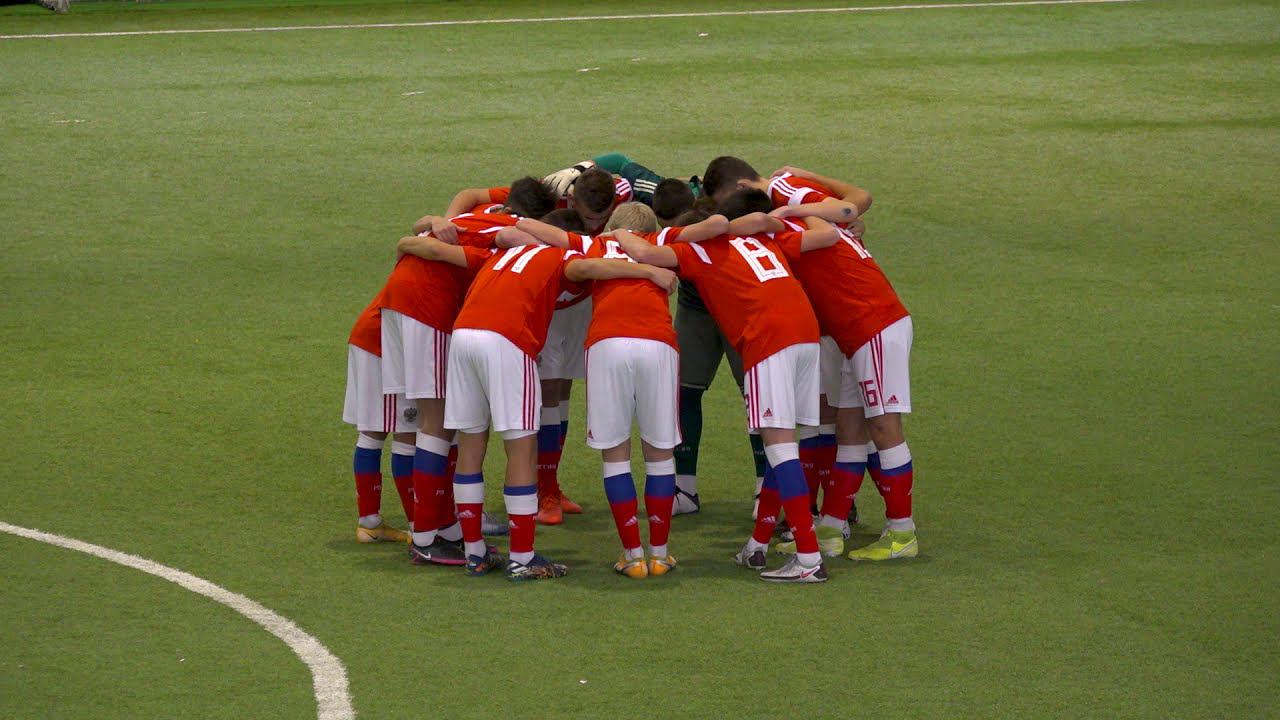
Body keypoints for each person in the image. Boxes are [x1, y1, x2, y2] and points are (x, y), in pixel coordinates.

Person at [400, 212, 675, 580]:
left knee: (471, 443)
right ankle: (522, 557)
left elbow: (444, 247)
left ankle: (475, 552)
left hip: (463, 336)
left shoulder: (500, 255)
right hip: (507, 340)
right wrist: (648, 271)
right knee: (522, 448)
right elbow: (590, 267)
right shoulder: (560, 256)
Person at [616, 194, 840, 583]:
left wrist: (617, 232)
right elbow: (826, 234)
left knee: (780, 447)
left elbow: (643, 253)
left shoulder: (697, 249)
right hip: (806, 335)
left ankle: (808, 558)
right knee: (781, 445)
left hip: (768, 337)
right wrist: (787, 213)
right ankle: (758, 544)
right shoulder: (759, 239)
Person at [514, 202, 726, 577]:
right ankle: (659, 554)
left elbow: (539, 230)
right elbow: (714, 225)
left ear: (612, 225)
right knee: (660, 456)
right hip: (658, 343)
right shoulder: (660, 239)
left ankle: (632, 555)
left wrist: (514, 219)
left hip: (607, 344)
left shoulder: (592, 244)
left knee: (616, 457)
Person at [381, 177, 555, 566]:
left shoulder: (478, 213)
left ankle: (446, 528)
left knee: (438, 419)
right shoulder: (510, 231)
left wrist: (414, 235)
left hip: (399, 299)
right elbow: (443, 248)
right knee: (437, 421)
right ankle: (425, 537)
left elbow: (424, 231)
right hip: (429, 303)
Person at [342, 287, 416, 544]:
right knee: (408, 432)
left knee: (373, 432)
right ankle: (421, 528)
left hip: (370, 336)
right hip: (384, 346)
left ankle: (370, 523)